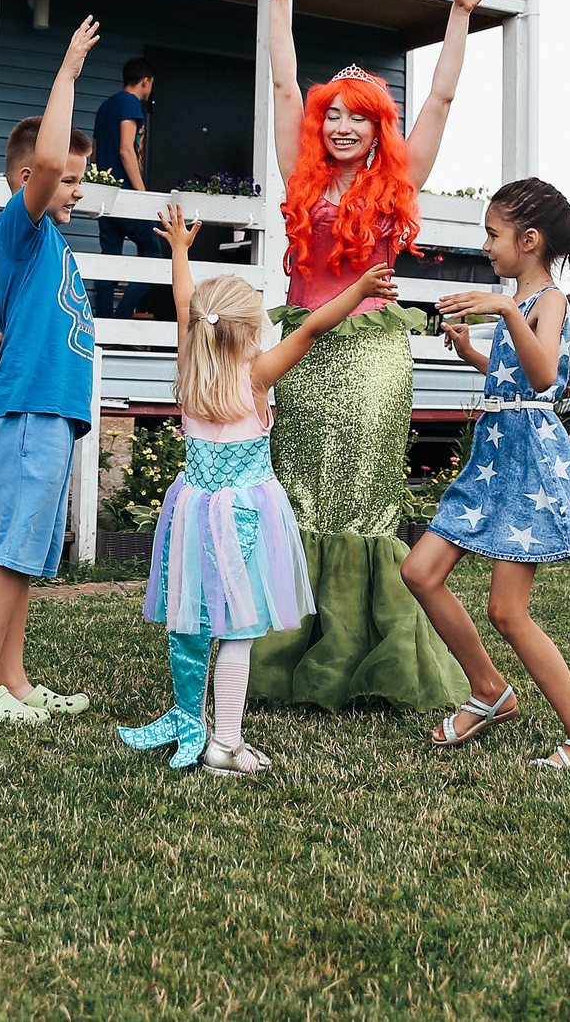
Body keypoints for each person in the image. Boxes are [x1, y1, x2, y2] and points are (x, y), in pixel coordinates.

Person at [241, 0, 506, 712]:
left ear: (377, 128)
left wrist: (459, 14)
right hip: (305, 350)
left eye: (360, 117)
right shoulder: (299, 169)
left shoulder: (403, 178)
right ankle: (293, 646)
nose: (343, 126)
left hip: (375, 358)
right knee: (300, 492)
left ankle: (370, 652)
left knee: (361, 499)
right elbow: (284, 78)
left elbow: (441, 101)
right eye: (335, 116)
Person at [117, 202, 394, 777]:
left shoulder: (189, 361)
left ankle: (193, 720)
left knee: (192, 620)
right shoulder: (258, 373)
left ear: (199, 324)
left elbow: (181, 302)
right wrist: (359, 283)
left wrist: (179, 251)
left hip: (193, 508)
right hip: (245, 509)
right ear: (250, 329)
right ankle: (226, 744)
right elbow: (316, 323)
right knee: (239, 629)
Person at [404, 179, 570, 769]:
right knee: (419, 570)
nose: (486, 246)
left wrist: (500, 310)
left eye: (493, 235)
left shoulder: (548, 299)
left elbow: (545, 375)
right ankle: (491, 690)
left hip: (529, 465)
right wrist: (473, 348)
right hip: (493, 456)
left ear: (528, 240)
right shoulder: (518, 303)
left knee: (506, 611)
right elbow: (511, 376)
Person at [0, 17, 103, 724]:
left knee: (28, 557)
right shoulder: (20, 227)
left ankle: (10, 679)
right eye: (67, 178)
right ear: (28, 178)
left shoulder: (52, 250)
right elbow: (46, 165)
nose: (74, 189)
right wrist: (67, 73)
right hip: (28, 407)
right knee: (11, 554)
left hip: (50, 408)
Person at [92, 58, 160, 319]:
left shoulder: (104, 107)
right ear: (146, 81)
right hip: (127, 197)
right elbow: (126, 149)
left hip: (106, 196)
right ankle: (121, 317)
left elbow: (96, 156)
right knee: (153, 256)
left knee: (109, 260)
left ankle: (104, 326)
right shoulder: (130, 102)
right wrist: (143, 196)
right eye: (150, 85)